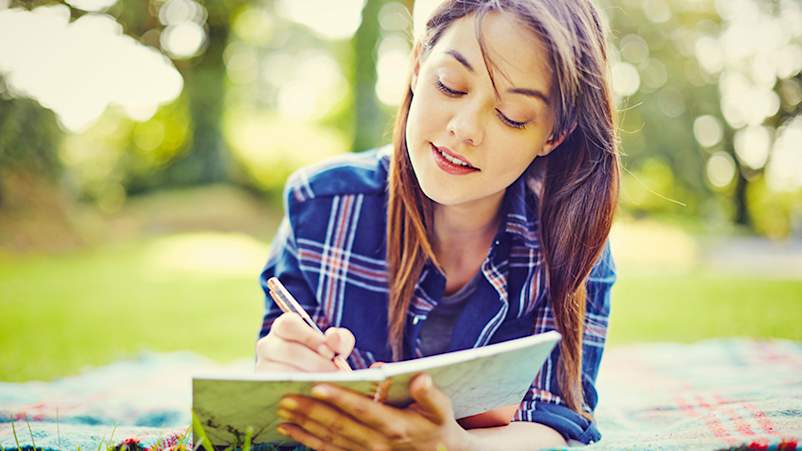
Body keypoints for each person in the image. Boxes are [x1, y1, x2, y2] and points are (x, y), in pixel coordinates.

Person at [255, 0, 619, 448]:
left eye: (512, 116)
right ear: (416, 66)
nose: (465, 129)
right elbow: (272, 397)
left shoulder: (573, 246)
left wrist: (453, 446)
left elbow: (557, 420)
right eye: (449, 85)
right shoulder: (321, 208)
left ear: (553, 135)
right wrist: (279, 375)